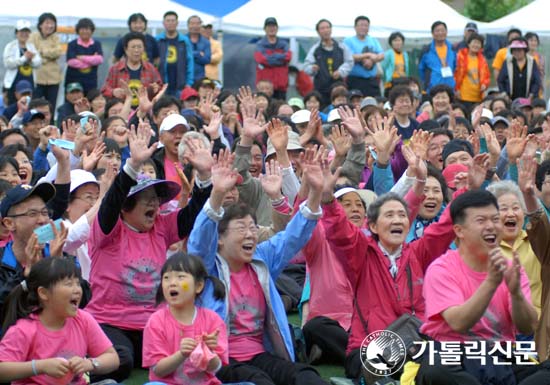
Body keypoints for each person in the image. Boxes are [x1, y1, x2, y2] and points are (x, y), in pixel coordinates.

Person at [188, 148, 330, 385]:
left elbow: (292, 237)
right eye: (241, 229)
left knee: (306, 376)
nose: (250, 235)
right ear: (220, 238)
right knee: (260, 382)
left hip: (259, 354)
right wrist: (218, 193)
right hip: (220, 359)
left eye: (253, 228)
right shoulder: (207, 266)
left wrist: (315, 192)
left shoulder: (261, 260)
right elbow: (199, 239)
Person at [85, 122, 212, 382]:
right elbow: (111, 201)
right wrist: (131, 165)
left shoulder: (161, 227)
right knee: (122, 361)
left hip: (153, 322)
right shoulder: (109, 228)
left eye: (157, 197)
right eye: (147, 198)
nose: (155, 203)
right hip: (110, 323)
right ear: (126, 207)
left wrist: (205, 177)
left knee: (194, 355)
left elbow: (192, 216)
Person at [415, 189, 537, 384]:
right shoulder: (441, 269)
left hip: (501, 355)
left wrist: (516, 294)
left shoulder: (512, 268)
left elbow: (527, 326)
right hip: (454, 353)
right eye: (481, 221)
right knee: (435, 372)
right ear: (459, 230)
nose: (491, 226)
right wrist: (491, 283)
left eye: (495, 219)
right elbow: (459, 323)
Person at [0, 258, 120, 384]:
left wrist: (89, 363)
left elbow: (113, 358)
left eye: (77, 283)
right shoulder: (24, 329)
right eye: (69, 284)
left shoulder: (82, 319)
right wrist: (39, 367)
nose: (77, 290)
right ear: (44, 293)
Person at [143, 252, 232, 385]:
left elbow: (216, 368)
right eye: (166, 278)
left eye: (180, 277)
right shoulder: (156, 321)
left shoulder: (213, 320)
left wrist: (209, 352)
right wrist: (181, 354)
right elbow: (158, 370)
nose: (172, 283)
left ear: (198, 286)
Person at [101, 32, 162, 109]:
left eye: (139, 47)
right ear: (126, 49)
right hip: (122, 111)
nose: (136, 50)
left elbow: (160, 87)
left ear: (144, 49)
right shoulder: (115, 69)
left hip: (144, 111)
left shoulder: (151, 69)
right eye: (133, 47)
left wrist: (156, 89)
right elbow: (104, 89)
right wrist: (113, 92)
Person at [304, 19, 353, 107]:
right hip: (321, 88)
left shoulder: (341, 47)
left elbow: (349, 62)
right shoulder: (315, 49)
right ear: (318, 31)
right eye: (322, 28)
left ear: (331, 29)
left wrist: (341, 71)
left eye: (327, 27)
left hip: (338, 88)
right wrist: (312, 68)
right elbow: (306, 65)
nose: (325, 30)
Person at [343, 15, 384, 97]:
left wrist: (372, 60)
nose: (363, 28)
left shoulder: (373, 40)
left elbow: (382, 55)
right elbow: (349, 56)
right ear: (355, 27)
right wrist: (368, 55)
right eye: (361, 25)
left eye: (366, 25)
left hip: (372, 80)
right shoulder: (348, 41)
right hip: (355, 80)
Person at [3, 20, 42, 105]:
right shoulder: (10, 46)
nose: (24, 34)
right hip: (14, 83)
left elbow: (38, 63)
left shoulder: (31, 46)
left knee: (29, 105)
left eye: (26, 31)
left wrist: (31, 60)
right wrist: (24, 58)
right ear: (16, 33)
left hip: (29, 82)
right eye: (22, 31)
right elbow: (8, 63)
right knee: (12, 105)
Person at [156, 11, 194, 97]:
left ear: (177, 23)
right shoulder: (158, 40)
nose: (170, 23)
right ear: (164, 23)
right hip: (162, 85)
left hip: (180, 85)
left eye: (173, 21)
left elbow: (190, 62)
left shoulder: (184, 41)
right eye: (168, 21)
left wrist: (189, 82)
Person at [30, 13, 62, 110]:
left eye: (52, 23)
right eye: (47, 23)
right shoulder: (33, 36)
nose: (50, 26)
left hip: (53, 79)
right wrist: (49, 55)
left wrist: (42, 52)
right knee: (35, 107)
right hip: (37, 79)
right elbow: (32, 53)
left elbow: (57, 52)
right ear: (40, 25)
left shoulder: (56, 37)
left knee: (51, 107)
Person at [254, 17, 291, 101]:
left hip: (281, 85)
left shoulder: (284, 44)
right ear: (264, 29)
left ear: (277, 28)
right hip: (265, 87)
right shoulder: (260, 44)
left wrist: (270, 58)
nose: (271, 28)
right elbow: (261, 59)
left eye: (274, 26)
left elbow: (288, 57)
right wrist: (280, 57)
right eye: (269, 26)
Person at [65, 18, 103, 94]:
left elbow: (100, 59)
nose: (85, 31)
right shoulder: (72, 44)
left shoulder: (96, 44)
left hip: (91, 82)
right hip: (73, 82)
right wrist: (91, 60)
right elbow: (71, 62)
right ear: (78, 30)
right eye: (82, 29)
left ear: (92, 31)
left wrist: (81, 58)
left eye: (87, 29)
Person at [454, 33, 490, 110]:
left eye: (478, 43)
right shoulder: (460, 57)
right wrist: (456, 89)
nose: (476, 45)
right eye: (474, 42)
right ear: (469, 44)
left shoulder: (483, 60)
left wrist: (484, 84)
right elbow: (456, 74)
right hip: (463, 96)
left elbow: (487, 77)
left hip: (478, 97)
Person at [418, 21, 456, 92]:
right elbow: (421, 69)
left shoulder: (452, 49)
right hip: (433, 89)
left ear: (446, 32)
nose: (440, 33)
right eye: (437, 31)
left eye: (442, 30)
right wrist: (427, 84)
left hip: (450, 88)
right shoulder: (427, 50)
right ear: (432, 33)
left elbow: (455, 67)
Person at [187, 15, 211, 83]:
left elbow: (207, 60)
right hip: (185, 78)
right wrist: (198, 54)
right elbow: (183, 56)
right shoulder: (183, 40)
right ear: (188, 25)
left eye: (197, 23)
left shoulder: (206, 42)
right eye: (192, 23)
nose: (195, 26)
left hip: (200, 78)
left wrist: (191, 54)